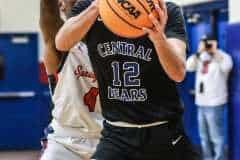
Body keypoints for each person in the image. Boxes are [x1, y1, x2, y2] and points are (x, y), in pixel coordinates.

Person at [55, 0, 199, 159]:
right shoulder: (90, 6)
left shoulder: (165, 10)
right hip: (116, 133)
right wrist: (97, 6)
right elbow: (62, 43)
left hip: (163, 132)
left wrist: (159, 39)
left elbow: (178, 73)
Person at [39, 0, 103, 159]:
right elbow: (49, 13)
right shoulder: (59, 43)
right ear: (61, 6)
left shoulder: (117, 42)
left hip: (112, 138)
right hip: (64, 140)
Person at [186, 35, 233, 160]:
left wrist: (215, 52)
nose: (206, 46)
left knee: (216, 137)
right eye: (204, 43)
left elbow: (227, 67)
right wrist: (198, 52)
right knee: (204, 136)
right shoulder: (201, 57)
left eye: (208, 43)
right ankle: (207, 158)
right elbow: (188, 66)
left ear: (215, 43)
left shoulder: (223, 56)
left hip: (215, 103)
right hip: (201, 103)